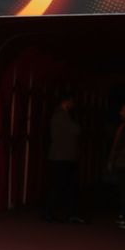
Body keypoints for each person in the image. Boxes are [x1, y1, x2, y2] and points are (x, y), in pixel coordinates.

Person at [43, 92, 84, 223]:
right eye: (71, 102)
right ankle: (53, 212)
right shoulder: (62, 116)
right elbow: (77, 130)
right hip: (63, 156)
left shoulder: (58, 115)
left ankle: (52, 212)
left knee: (60, 185)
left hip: (61, 156)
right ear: (66, 102)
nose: (73, 105)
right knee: (63, 185)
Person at [107, 104, 125, 229]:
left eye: (123, 110)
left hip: (123, 162)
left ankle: (124, 215)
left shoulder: (123, 127)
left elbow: (116, 145)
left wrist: (111, 160)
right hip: (122, 162)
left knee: (124, 190)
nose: (120, 112)